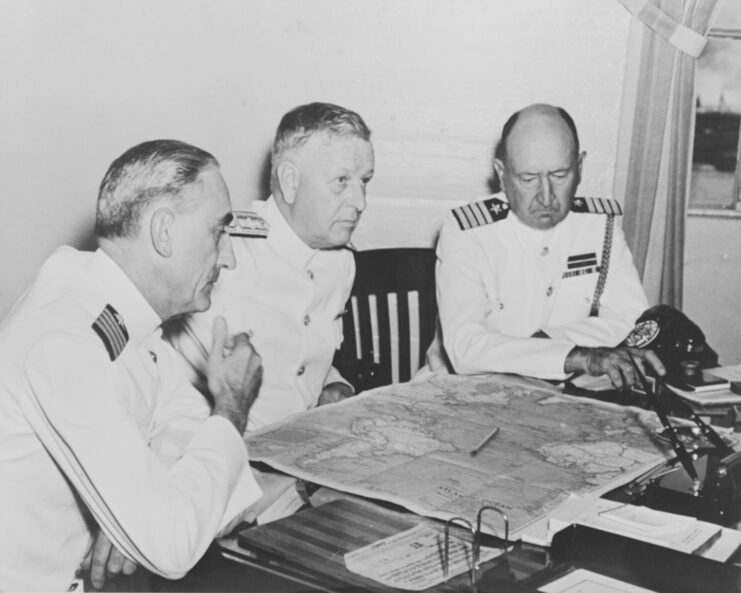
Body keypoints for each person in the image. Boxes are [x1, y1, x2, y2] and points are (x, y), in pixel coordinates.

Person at [0, 140, 266, 591]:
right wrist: (232, 406)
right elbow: (175, 545)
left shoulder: (118, 308)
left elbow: (193, 436)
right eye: (218, 232)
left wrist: (135, 511)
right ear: (163, 231)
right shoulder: (67, 343)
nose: (229, 256)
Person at [164, 102, 374, 518]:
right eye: (342, 182)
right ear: (290, 182)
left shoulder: (340, 263)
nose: (360, 201)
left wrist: (337, 385)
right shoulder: (224, 254)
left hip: (306, 480)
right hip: (227, 494)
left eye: (365, 181)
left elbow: (299, 354)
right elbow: (157, 368)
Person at [435, 103, 664, 389]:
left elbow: (631, 321)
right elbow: (465, 349)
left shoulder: (598, 227)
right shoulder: (467, 231)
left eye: (559, 175)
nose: (546, 196)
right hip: (476, 392)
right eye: (528, 179)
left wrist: (551, 342)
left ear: (579, 167)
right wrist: (573, 355)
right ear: (501, 174)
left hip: (572, 392)